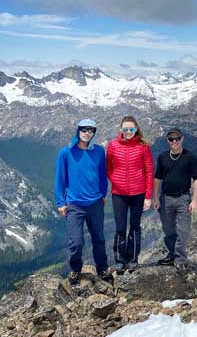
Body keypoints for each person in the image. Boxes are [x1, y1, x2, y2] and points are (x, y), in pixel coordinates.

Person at [54, 118, 111, 285]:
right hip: (74, 205)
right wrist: (60, 202)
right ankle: (75, 269)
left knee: (98, 238)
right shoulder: (66, 153)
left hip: (95, 203)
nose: (87, 133)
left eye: (91, 130)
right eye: (84, 129)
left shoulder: (99, 151)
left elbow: (102, 175)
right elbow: (60, 179)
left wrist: (103, 194)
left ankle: (102, 268)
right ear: (78, 131)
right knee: (76, 242)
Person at [106, 115, 154, 273]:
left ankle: (132, 259)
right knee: (120, 227)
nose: (128, 131)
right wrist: (115, 179)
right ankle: (120, 260)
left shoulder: (143, 146)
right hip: (119, 194)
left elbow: (149, 171)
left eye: (131, 129)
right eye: (125, 129)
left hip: (138, 193)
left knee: (134, 226)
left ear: (136, 129)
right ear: (121, 129)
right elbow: (108, 167)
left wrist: (148, 196)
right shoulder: (113, 145)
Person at [153, 128, 197, 273]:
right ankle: (172, 254)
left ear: (182, 139)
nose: (174, 141)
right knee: (168, 229)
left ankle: (180, 258)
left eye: (177, 138)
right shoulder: (162, 157)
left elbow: (196, 179)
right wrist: (155, 198)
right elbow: (157, 178)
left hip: (183, 198)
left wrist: (195, 200)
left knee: (183, 230)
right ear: (168, 140)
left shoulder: (190, 157)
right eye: (171, 139)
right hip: (165, 198)